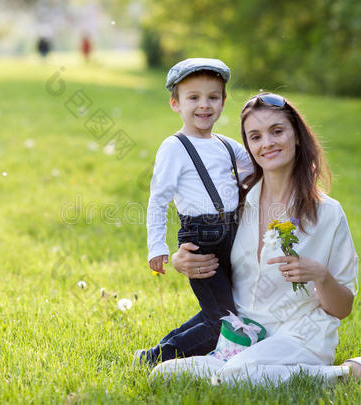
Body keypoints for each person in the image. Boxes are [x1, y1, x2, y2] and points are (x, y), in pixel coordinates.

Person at [150, 93, 361, 386]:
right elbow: (205, 246)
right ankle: (242, 369)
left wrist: (320, 275)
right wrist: (180, 259)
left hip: (302, 335)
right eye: (255, 136)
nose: (266, 143)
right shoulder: (237, 202)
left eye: (277, 131)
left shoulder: (328, 214)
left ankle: (346, 373)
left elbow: (342, 308)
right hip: (245, 334)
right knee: (164, 375)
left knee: (235, 377)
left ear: (297, 136)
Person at [138, 58, 253, 366]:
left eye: (213, 97)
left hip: (231, 233)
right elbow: (158, 199)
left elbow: (257, 170)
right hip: (200, 238)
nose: (204, 105)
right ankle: (155, 358)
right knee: (222, 321)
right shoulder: (174, 147)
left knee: (220, 309)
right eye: (193, 98)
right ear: (175, 103)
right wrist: (157, 247)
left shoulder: (228, 146)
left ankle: (163, 345)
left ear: (224, 101)